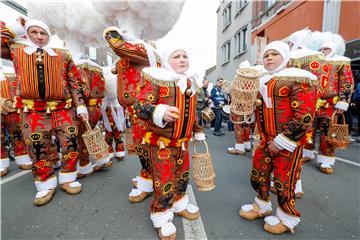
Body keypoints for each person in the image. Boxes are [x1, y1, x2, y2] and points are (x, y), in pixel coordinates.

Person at [1, 18, 88, 206]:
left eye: (43, 33)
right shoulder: (16, 50)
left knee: (70, 143)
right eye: (34, 32)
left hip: (63, 109)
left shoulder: (63, 54)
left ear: (48, 36)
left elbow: (74, 82)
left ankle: (68, 177)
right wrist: (17, 27)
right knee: (38, 148)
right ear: (28, 33)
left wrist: (80, 106)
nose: (39, 37)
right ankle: (45, 183)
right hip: (32, 111)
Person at [239, 41, 317, 234]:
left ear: (285, 57)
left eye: (275, 54)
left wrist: (283, 140)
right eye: (266, 55)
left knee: (284, 181)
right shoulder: (263, 80)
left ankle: (287, 218)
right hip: (266, 140)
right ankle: (262, 206)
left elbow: (305, 115)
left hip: (287, 143)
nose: (270, 58)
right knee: (259, 174)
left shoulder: (298, 79)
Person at [133, 45, 205, 239]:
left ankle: (179, 202)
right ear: (166, 60)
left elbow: (192, 114)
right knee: (164, 179)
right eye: (176, 56)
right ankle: (161, 214)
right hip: (161, 143)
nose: (182, 59)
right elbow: (139, 106)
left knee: (182, 177)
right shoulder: (156, 79)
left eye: (185, 56)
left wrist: (197, 130)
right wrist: (160, 112)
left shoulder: (190, 83)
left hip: (182, 143)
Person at [103, 26, 160, 203]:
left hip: (145, 109)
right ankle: (150, 176)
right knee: (142, 145)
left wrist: (112, 33)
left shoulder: (144, 49)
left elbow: (119, 48)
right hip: (134, 109)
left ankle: (150, 180)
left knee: (147, 145)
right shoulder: (132, 53)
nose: (125, 32)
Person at [312, 40, 354, 173]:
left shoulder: (340, 63)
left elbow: (347, 83)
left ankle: (326, 160)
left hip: (330, 104)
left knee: (327, 132)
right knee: (308, 130)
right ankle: (306, 153)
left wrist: (344, 101)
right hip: (312, 102)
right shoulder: (313, 63)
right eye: (321, 49)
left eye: (326, 49)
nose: (323, 51)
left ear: (333, 50)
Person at [75, 55, 112, 178]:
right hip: (96, 108)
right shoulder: (98, 69)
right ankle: (102, 160)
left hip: (85, 107)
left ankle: (84, 165)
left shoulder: (79, 66)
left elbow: (82, 92)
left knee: (83, 137)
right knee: (92, 134)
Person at [0, 65, 32, 177]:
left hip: (13, 109)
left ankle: (22, 157)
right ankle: (1, 163)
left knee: (17, 134)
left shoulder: (10, 70)